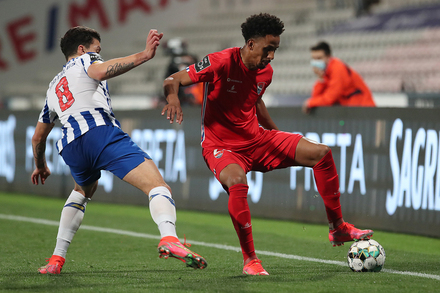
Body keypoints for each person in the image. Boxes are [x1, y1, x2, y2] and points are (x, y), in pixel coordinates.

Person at [161, 13, 373, 276]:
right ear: (251, 44)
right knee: (238, 182)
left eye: (275, 50)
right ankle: (250, 260)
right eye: (268, 49)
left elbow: (255, 102)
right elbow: (173, 79)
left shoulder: (265, 72)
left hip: (258, 140)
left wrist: (276, 135)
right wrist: (173, 99)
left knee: (321, 153)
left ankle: (337, 227)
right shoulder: (220, 62)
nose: (271, 56)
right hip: (221, 147)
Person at [31, 26, 207, 274]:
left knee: (82, 190)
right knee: (157, 187)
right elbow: (100, 70)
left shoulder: (53, 86)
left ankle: (55, 260)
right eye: (97, 49)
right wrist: (144, 55)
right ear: (82, 49)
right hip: (98, 133)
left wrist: (39, 164)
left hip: (71, 146)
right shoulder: (86, 60)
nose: (98, 54)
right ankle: (170, 238)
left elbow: (38, 136)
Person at [302, 41, 376, 114]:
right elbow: (316, 98)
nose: (316, 62)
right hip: (351, 110)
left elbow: (329, 98)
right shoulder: (326, 73)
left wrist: (309, 103)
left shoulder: (337, 69)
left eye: (319, 58)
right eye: (314, 59)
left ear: (328, 57)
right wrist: (321, 79)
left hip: (363, 109)